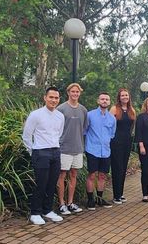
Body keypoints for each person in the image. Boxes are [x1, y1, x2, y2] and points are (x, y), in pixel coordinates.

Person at [21, 86, 66, 225]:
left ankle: (47, 210)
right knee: (41, 183)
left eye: (56, 98)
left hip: (55, 152)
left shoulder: (60, 116)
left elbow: (59, 134)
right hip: (40, 152)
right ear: (45, 98)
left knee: (52, 183)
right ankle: (35, 212)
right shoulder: (36, 115)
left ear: (59, 100)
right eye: (51, 97)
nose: (53, 100)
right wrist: (34, 152)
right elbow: (26, 136)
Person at [56, 83, 88, 215]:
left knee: (74, 175)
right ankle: (61, 204)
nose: (75, 94)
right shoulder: (61, 109)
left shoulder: (83, 110)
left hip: (78, 148)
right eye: (73, 91)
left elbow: (84, 128)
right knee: (62, 175)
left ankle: (70, 202)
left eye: (77, 92)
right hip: (64, 148)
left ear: (80, 93)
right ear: (68, 93)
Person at [84, 92, 116, 210]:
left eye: (107, 99)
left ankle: (100, 199)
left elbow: (112, 134)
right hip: (92, 149)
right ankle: (90, 200)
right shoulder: (90, 115)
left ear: (109, 102)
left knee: (102, 176)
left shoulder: (112, 118)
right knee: (92, 175)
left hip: (106, 151)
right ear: (98, 101)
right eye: (102, 99)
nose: (104, 101)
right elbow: (84, 130)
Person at [109, 88, 136, 204]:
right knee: (117, 168)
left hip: (127, 142)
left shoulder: (132, 110)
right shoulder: (114, 109)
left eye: (126, 95)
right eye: (122, 95)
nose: (125, 97)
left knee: (123, 168)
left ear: (129, 97)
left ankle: (120, 193)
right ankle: (116, 196)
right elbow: (109, 125)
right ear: (119, 97)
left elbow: (132, 127)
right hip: (116, 141)